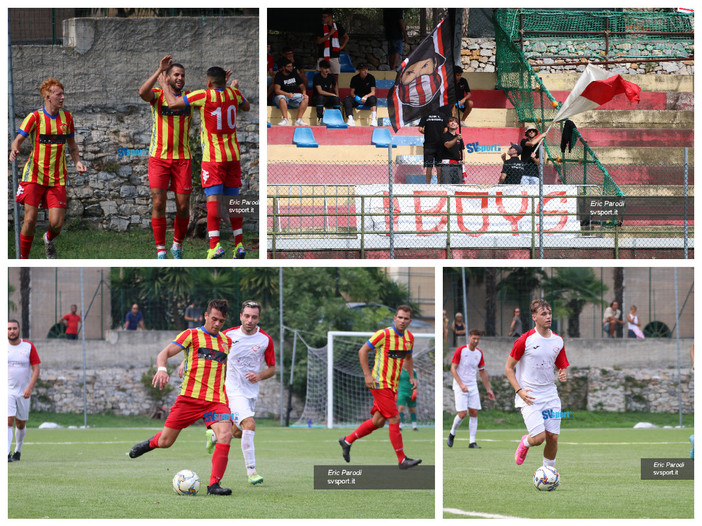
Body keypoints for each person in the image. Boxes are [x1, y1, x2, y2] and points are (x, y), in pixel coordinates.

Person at [128, 299, 235, 496]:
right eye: (214, 319)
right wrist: (162, 369)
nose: (217, 324)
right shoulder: (192, 335)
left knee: (226, 435)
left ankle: (214, 485)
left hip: (215, 400)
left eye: (221, 320)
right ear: (205, 315)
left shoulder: (226, 341)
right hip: (188, 399)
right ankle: (149, 444)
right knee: (166, 442)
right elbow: (165, 353)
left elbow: (222, 368)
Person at [160, 66, 251, 259]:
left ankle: (215, 246)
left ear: (208, 82)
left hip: (214, 159)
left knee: (213, 202)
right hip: (233, 157)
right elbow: (247, 106)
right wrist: (234, 88)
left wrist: (163, 85)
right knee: (234, 203)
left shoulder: (204, 95)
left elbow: (173, 102)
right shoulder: (234, 94)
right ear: (225, 81)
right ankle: (239, 244)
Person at [9, 78, 87, 259]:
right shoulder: (35, 117)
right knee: (30, 219)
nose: (62, 97)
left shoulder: (67, 118)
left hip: (57, 178)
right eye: (58, 94)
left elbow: (72, 144)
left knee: (57, 223)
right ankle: (23, 260)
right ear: (47, 96)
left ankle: (48, 238)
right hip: (34, 176)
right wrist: (14, 148)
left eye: (63, 94)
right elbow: (18, 140)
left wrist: (77, 162)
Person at [338, 305, 422, 469]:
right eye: (400, 317)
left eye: (406, 318)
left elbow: (408, 358)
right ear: (394, 318)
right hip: (379, 383)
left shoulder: (409, 338)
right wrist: (367, 375)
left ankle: (347, 441)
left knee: (378, 421)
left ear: (409, 321)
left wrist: (411, 377)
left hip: (392, 386)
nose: (403, 321)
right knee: (395, 418)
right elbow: (362, 351)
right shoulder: (384, 334)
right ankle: (402, 459)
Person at [202, 300, 275, 485]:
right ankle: (252, 472)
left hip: (250, 392)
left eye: (254, 317)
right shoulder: (227, 335)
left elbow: (272, 369)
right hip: (231, 390)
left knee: (238, 432)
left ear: (259, 318)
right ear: (241, 316)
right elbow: (204, 346)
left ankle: (213, 434)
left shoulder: (265, 340)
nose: (250, 320)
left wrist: (259, 376)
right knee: (249, 424)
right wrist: (183, 363)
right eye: (247, 316)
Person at [138, 56, 193, 259]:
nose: (180, 78)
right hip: (159, 159)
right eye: (176, 75)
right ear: (167, 77)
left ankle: (177, 245)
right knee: (158, 203)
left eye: (182, 75)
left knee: (183, 206)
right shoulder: (158, 96)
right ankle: (160, 249)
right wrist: (157, 70)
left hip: (183, 159)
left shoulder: (189, 97)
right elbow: (142, 92)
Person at [505, 299, 569, 469]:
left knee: (553, 437)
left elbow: (562, 364)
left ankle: (549, 473)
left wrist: (563, 372)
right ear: (534, 317)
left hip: (550, 395)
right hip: (530, 396)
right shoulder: (525, 340)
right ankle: (526, 442)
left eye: (549, 313)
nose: (548, 317)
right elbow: (508, 368)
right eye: (543, 314)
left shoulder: (558, 341)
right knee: (539, 438)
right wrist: (519, 391)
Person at [447, 329, 495, 449]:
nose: (476, 341)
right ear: (469, 337)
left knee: (474, 412)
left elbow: (482, 372)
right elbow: (453, 368)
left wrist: (488, 389)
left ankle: (472, 442)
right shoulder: (461, 350)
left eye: (478, 339)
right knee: (462, 414)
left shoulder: (479, 353)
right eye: (474, 338)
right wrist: (461, 384)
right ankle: (452, 433)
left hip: (472, 386)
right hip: (460, 385)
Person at [8, 319, 41, 462]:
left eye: (14, 328)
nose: (12, 331)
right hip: (7, 391)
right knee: (7, 421)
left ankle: (18, 451)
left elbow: (36, 369)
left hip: (23, 392)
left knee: (20, 423)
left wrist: (29, 387)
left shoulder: (28, 346)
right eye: (9, 329)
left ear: (19, 329)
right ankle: (5, 453)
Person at [316, 9, 349, 86]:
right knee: (320, 75)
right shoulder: (321, 27)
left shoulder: (337, 26)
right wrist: (330, 34)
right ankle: (320, 93)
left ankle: (335, 95)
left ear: (330, 17)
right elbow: (319, 41)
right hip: (323, 54)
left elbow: (346, 37)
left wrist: (342, 46)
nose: (323, 19)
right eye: (322, 17)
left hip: (334, 54)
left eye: (325, 17)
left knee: (335, 76)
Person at [273, 59, 310, 127]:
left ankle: (299, 120)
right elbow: (277, 90)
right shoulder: (279, 75)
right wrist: (287, 94)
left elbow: (302, 86)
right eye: (289, 66)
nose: (291, 68)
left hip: (293, 96)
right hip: (282, 96)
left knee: (306, 97)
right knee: (281, 99)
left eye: (291, 66)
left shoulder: (294, 73)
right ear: (284, 67)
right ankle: (285, 120)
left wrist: (304, 93)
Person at [418, 109, 448, 184]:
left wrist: (427, 133)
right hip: (440, 144)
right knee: (439, 166)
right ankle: (439, 184)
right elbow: (446, 129)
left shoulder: (425, 114)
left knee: (429, 166)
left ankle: (428, 184)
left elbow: (420, 129)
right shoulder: (443, 115)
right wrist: (439, 134)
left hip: (429, 144)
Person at [312, 60, 341, 125]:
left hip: (327, 98)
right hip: (317, 98)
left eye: (328, 68)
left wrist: (337, 95)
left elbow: (335, 85)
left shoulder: (331, 76)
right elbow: (320, 91)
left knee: (336, 99)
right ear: (321, 68)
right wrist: (332, 94)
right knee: (320, 97)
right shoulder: (317, 77)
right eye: (325, 68)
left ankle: (338, 117)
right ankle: (320, 118)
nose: (327, 70)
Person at [440, 116, 464, 184]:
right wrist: (456, 138)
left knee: (458, 185)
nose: (453, 123)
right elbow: (447, 145)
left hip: (457, 165)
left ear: (457, 125)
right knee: (447, 185)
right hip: (447, 165)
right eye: (451, 121)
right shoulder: (444, 136)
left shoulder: (459, 137)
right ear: (448, 124)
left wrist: (463, 159)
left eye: (455, 122)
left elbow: (462, 149)